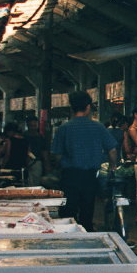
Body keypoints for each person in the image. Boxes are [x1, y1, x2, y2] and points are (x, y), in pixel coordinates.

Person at [51, 92, 118, 230]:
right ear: (88, 107)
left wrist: (62, 165)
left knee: (68, 213)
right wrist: (112, 165)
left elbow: (56, 155)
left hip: (69, 175)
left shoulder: (63, 128)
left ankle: (68, 239)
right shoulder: (98, 126)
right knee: (87, 210)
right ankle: (86, 235)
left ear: (72, 108)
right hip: (90, 176)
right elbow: (112, 150)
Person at [24, 115, 49, 186]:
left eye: (34, 125)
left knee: (35, 182)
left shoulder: (39, 137)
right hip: (28, 162)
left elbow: (44, 151)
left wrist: (46, 163)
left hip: (36, 162)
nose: (33, 128)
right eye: (31, 125)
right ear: (27, 125)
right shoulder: (25, 136)